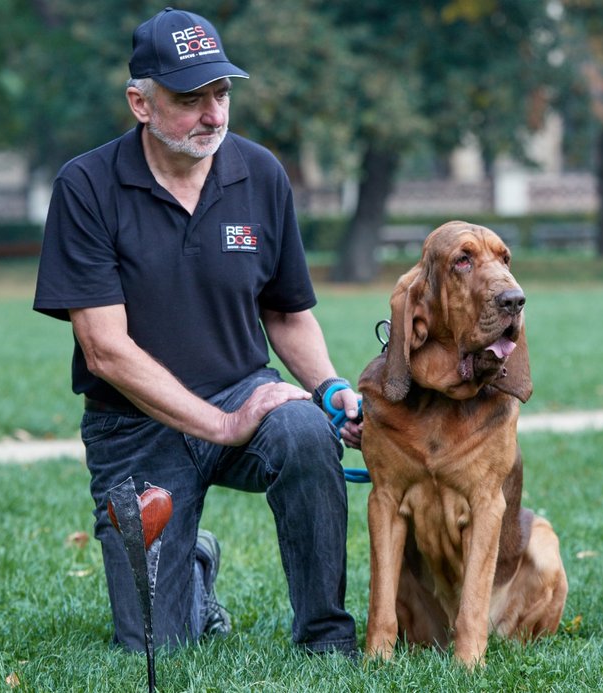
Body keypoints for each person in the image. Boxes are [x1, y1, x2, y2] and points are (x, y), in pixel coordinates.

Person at [33, 7, 362, 658]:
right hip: (133, 430)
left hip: (246, 391)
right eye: (190, 99)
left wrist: (329, 389)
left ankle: (326, 636)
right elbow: (105, 348)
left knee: (302, 429)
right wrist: (222, 424)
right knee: (156, 647)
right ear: (141, 103)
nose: (213, 114)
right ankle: (193, 569)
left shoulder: (261, 173)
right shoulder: (87, 186)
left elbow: (287, 312)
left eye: (222, 93)